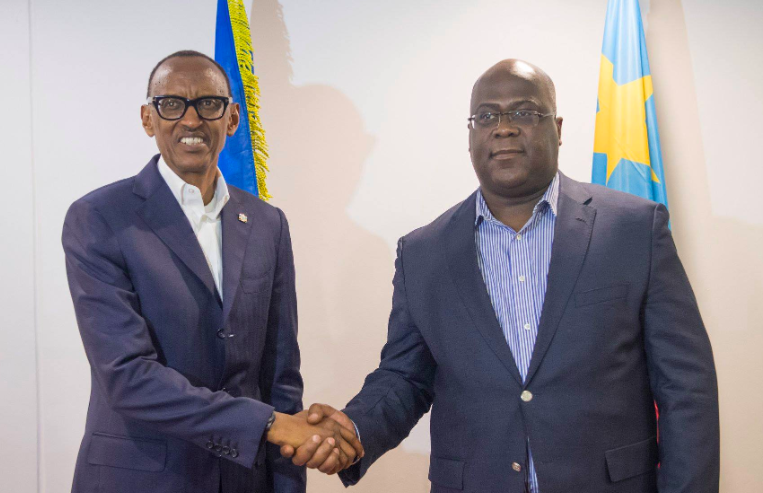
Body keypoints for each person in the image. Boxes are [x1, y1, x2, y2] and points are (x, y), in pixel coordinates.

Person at [283, 59, 720, 492]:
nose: (504, 127)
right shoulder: (423, 252)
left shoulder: (632, 229)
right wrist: (351, 432)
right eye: (487, 116)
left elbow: (686, 388)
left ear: (559, 128)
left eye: (525, 113)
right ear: (471, 134)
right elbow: (406, 377)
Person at [62, 50, 361, 493]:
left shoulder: (267, 223)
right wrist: (270, 425)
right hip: (140, 478)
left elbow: (280, 375)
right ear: (148, 119)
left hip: (244, 481)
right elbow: (127, 376)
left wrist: (288, 480)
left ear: (232, 118)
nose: (190, 120)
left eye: (208, 103)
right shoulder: (99, 218)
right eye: (170, 104)